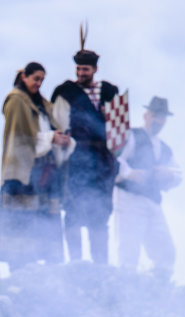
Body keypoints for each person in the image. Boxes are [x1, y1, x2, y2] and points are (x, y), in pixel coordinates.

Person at [0, 62, 74, 271]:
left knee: (44, 220)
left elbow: (53, 126)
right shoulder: (17, 101)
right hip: (23, 173)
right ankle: (18, 271)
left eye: (42, 80)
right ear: (24, 77)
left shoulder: (42, 105)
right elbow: (20, 138)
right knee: (21, 223)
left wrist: (60, 138)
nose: (38, 83)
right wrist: (50, 138)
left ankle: (44, 273)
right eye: (35, 78)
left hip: (45, 172)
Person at [51, 48, 120, 263]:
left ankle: (101, 264)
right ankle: (76, 263)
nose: (81, 73)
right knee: (73, 210)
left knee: (100, 212)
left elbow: (118, 129)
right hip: (76, 157)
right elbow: (57, 123)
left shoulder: (109, 91)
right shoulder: (66, 92)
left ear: (95, 69)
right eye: (79, 68)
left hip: (103, 160)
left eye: (85, 69)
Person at [114, 96, 182, 280]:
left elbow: (177, 173)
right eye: (155, 116)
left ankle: (159, 287)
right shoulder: (131, 135)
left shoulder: (165, 148)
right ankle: (125, 287)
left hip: (152, 200)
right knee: (129, 246)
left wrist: (169, 175)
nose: (158, 121)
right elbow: (114, 158)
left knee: (165, 248)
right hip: (129, 198)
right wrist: (130, 173)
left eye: (162, 118)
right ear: (146, 115)